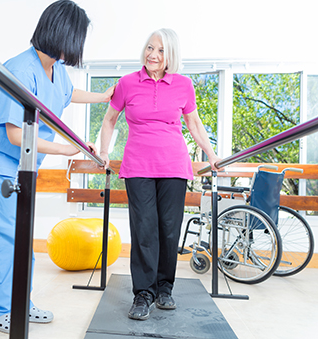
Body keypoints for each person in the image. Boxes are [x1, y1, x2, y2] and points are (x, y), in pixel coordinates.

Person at [0, 0, 115, 334]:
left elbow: (67, 94)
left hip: (23, 167)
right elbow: (14, 133)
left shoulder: (54, 68)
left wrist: (103, 96)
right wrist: (69, 148)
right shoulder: (20, 69)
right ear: (63, 34)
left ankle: (21, 301)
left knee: (23, 236)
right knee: (4, 237)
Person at [98, 28, 222, 320]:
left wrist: (212, 155)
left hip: (174, 167)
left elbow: (194, 124)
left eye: (161, 50)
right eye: (150, 48)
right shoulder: (127, 83)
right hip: (138, 166)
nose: (153, 55)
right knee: (144, 229)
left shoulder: (183, 85)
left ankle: (164, 288)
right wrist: (104, 152)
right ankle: (143, 293)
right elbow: (109, 120)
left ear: (171, 56)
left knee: (168, 228)